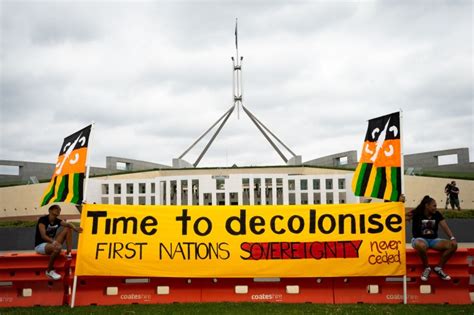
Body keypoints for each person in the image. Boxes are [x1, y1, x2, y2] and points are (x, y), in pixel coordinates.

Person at [407, 195, 457, 281]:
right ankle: (427, 268)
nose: (435, 208)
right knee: (420, 245)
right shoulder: (417, 213)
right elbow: (401, 216)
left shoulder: (437, 214)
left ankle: (439, 268)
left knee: (453, 245)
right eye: (434, 206)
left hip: (434, 240)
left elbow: (445, 226)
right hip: (419, 239)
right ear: (427, 205)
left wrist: (452, 238)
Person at [34, 204, 83, 280]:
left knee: (68, 228)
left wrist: (75, 228)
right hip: (40, 245)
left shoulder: (57, 221)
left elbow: (68, 224)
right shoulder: (43, 220)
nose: (58, 210)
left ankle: (68, 253)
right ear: (50, 211)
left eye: (59, 209)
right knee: (58, 247)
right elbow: (43, 236)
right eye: (56, 209)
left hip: (51, 243)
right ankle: (49, 271)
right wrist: (53, 242)